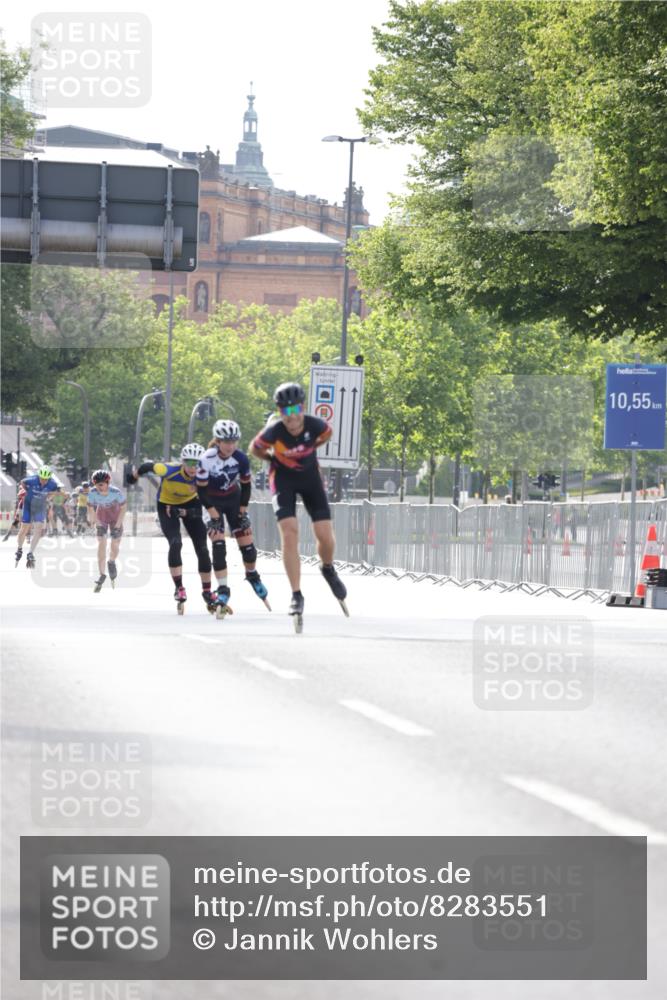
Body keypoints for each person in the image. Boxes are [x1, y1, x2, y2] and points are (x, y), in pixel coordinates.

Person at [249, 382, 347, 619]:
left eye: (294, 411)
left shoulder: (316, 426)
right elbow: (255, 448)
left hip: (311, 480)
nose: (291, 418)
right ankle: (296, 594)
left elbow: (327, 434)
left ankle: (327, 568)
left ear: (302, 408)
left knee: (325, 535)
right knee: (290, 532)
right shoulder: (274, 432)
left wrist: (309, 450)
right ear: (279, 411)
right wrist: (272, 457)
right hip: (283, 481)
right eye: (285, 412)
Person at [126, 443, 214, 612]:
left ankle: (207, 591)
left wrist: (184, 512)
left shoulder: (205, 476)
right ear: (182, 462)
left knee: (202, 548)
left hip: (191, 506)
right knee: (175, 543)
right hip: (166, 506)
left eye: (197, 463)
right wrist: (133, 476)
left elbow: (203, 505)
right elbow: (146, 466)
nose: (192, 467)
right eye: (189, 462)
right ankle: (179, 587)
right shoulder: (169, 470)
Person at [196, 419, 269, 613]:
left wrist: (243, 510)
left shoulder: (241, 458)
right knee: (219, 546)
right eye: (226, 442)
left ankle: (252, 575)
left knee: (248, 548)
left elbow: (246, 486)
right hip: (211, 501)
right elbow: (201, 490)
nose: (230, 446)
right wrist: (211, 512)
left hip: (234, 499)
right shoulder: (206, 459)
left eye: (234, 441)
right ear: (218, 441)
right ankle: (222, 589)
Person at [15, 465, 63, 568]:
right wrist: (25, 490)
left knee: (39, 530)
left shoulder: (52, 484)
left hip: (40, 507)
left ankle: (30, 552)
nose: (43, 481)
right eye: (42, 478)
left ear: (49, 478)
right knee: (24, 529)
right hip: (28, 505)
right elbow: (22, 482)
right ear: (38, 476)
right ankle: (19, 549)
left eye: (46, 479)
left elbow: (55, 491)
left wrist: (49, 497)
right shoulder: (32, 480)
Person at [87, 470, 127, 591]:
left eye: (101, 484)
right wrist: (96, 523)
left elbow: (124, 508)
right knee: (101, 543)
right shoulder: (93, 493)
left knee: (115, 543)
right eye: (96, 484)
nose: (98, 487)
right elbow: (91, 509)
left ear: (107, 483)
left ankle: (111, 561)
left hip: (116, 517)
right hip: (102, 517)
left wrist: (118, 524)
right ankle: (102, 574)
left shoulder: (116, 492)